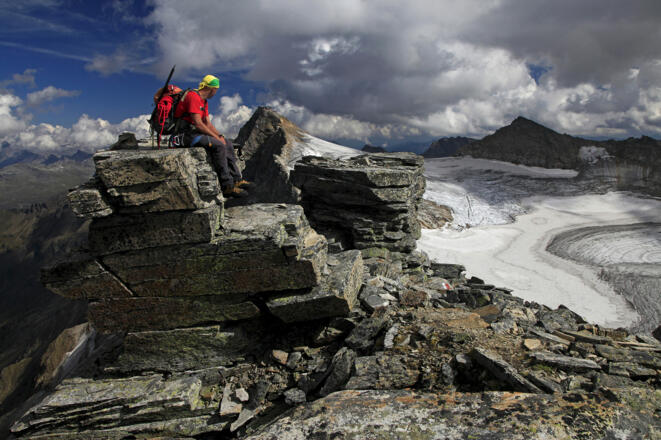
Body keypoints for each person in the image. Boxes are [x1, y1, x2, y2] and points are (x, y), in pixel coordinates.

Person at [173, 74, 250, 197]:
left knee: (227, 143)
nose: (216, 92)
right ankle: (227, 186)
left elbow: (207, 123)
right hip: (185, 135)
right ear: (213, 88)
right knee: (218, 145)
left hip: (194, 133)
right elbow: (198, 124)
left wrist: (219, 136)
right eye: (216, 90)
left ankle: (237, 179)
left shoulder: (204, 101)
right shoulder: (193, 97)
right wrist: (217, 139)